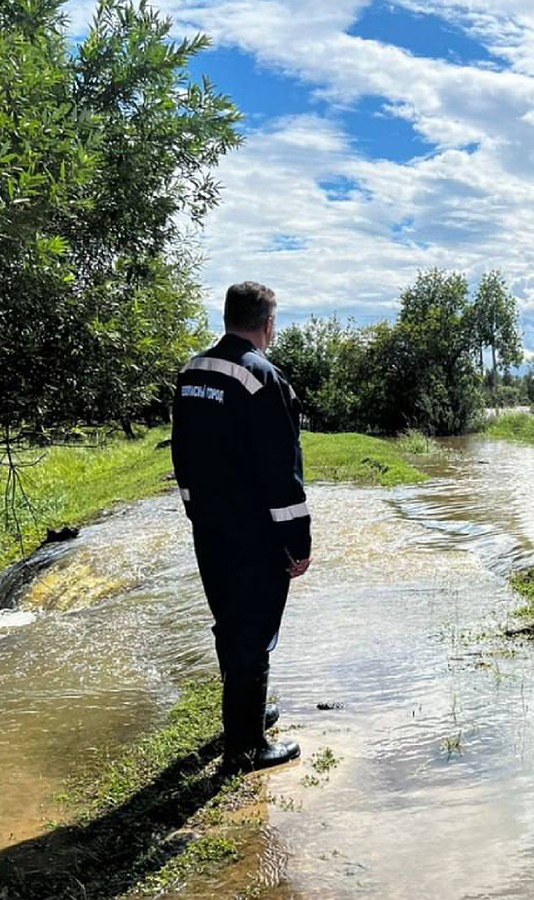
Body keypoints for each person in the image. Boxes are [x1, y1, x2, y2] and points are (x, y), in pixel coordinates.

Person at [172, 281, 312, 772]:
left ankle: (247, 718)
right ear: (268, 324)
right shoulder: (263, 379)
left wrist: (195, 511)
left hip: (210, 528)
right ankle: (246, 749)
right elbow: (282, 473)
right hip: (255, 534)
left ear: (227, 316)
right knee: (253, 631)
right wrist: (298, 542)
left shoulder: (194, 371)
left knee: (230, 622)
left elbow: (181, 454)